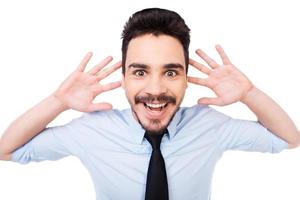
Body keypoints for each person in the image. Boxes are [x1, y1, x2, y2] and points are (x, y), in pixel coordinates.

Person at [0, 7, 299, 200]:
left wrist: (250, 93)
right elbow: (7, 150)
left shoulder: (209, 125)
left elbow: (288, 139)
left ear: (186, 78)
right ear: (124, 76)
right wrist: (57, 102)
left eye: (170, 72)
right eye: (140, 72)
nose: (155, 90)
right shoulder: (93, 130)